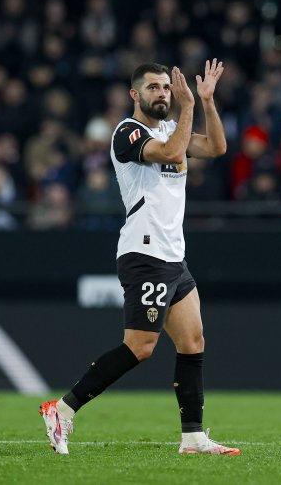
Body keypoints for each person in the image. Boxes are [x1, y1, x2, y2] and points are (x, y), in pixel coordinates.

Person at [39, 60, 240, 456]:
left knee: (193, 339)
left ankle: (193, 437)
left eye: (167, 87)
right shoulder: (128, 133)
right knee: (140, 347)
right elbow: (170, 152)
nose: (163, 93)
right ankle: (62, 408)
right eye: (154, 88)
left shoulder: (170, 127)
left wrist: (205, 101)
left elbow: (217, 147)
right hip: (144, 253)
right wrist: (186, 110)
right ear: (135, 95)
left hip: (173, 255)